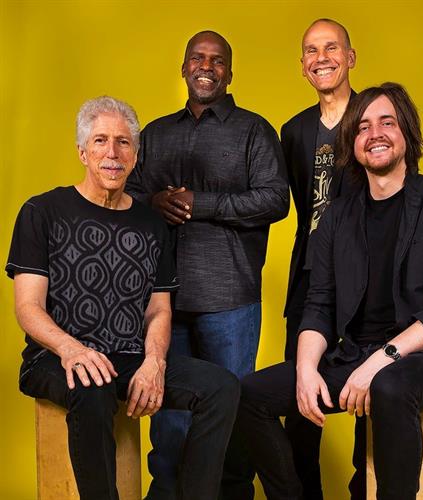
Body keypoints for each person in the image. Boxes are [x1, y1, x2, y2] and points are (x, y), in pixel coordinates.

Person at [238, 82, 423, 500]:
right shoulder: (337, 217)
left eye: (387, 123)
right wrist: (306, 369)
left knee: (389, 386)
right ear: (352, 142)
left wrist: (381, 361)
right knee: (249, 395)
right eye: (363, 127)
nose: (375, 134)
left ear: (407, 132)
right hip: (356, 355)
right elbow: (319, 304)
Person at [6, 96, 240, 500]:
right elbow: (28, 307)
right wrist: (72, 349)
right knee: (92, 385)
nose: (112, 153)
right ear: (83, 152)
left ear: (135, 154)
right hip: (54, 357)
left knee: (221, 387)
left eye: (123, 142)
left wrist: (154, 361)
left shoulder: (152, 224)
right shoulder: (42, 211)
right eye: (100, 141)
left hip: (127, 356)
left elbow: (159, 310)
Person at [125, 31, 289, 498]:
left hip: (229, 298)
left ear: (229, 73)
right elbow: (126, 194)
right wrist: (153, 202)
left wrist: (203, 203)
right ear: (183, 68)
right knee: (168, 415)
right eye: (198, 58)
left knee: (232, 413)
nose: (206, 66)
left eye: (217, 60)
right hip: (164, 301)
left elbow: (275, 199)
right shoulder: (155, 134)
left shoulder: (254, 131)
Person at [280, 18, 362, 499]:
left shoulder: (375, 118)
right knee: (301, 397)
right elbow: (299, 202)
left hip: (368, 281)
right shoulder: (294, 131)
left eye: (331, 48)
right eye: (311, 50)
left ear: (350, 57)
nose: (321, 58)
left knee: (371, 392)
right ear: (302, 65)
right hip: (309, 280)